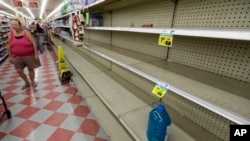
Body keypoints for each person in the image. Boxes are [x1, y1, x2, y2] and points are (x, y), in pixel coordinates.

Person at [6, 19, 41, 90]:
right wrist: (10, 56)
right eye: (12, 25)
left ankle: (32, 82)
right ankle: (26, 82)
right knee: (19, 71)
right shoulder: (10, 34)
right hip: (16, 56)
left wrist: (36, 54)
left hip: (29, 55)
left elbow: (34, 43)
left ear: (20, 25)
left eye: (15, 25)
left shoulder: (26, 33)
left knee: (31, 69)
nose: (13, 26)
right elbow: (9, 45)